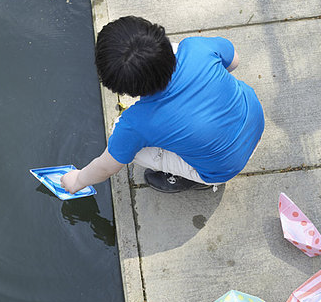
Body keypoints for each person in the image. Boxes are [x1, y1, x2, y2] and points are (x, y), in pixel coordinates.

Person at [60, 16, 264, 194]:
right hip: (255, 118)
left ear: (120, 87)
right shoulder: (196, 47)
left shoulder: (135, 123)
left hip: (223, 168)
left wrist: (77, 180)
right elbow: (234, 61)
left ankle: (195, 179)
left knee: (127, 145)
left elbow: (107, 167)